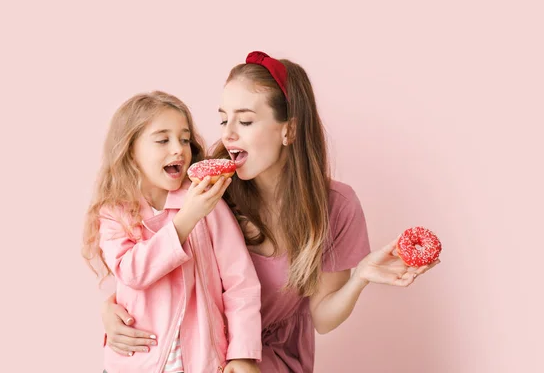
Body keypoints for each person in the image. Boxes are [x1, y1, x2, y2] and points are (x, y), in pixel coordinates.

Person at [100, 53, 440, 372]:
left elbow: (321, 317)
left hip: (269, 359)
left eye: (245, 120)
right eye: (223, 118)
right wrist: (111, 307)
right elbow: (137, 243)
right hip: (200, 352)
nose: (227, 133)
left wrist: (361, 275)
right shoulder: (207, 189)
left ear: (288, 130)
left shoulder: (337, 205)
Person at [82, 91, 263, 373]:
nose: (178, 149)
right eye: (162, 140)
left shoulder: (207, 202)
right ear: (130, 150)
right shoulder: (114, 212)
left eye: (184, 139)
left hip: (201, 362)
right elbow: (132, 272)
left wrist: (243, 353)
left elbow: (241, 283)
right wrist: (185, 221)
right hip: (134, 364)